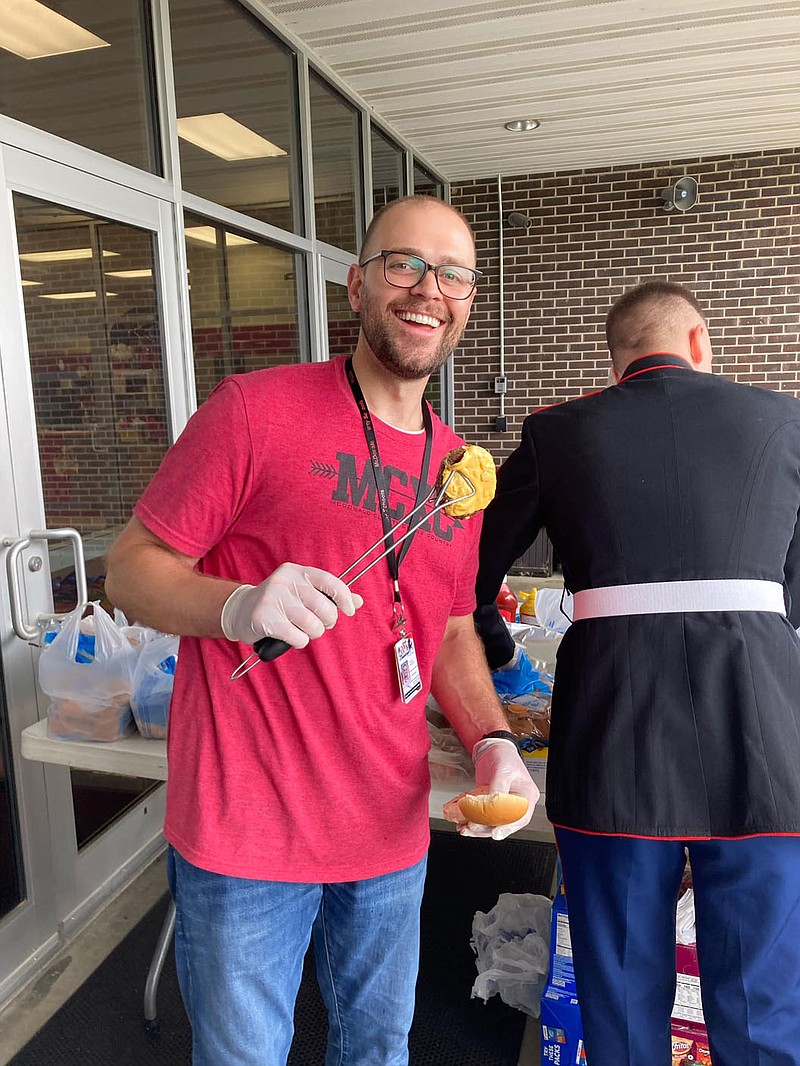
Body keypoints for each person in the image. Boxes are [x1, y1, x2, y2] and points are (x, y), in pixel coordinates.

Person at [105, 193, 538, 1066]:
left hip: (387, 828)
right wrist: (234, 604)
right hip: (245, 828)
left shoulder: (459, 472)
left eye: (453, 274)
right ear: (357, 285)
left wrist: (493, 739)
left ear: (468, 301)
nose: (428, 290)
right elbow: (130, 569)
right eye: (404, 264)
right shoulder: (255, 412)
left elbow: (451, 628)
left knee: (377, 1050)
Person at [474, 280, 800, 1066]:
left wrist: (503, 656)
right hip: (764, 732)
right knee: (765, 999)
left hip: (614, 731)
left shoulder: (556, 431)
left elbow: (468, 580)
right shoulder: (787, 421)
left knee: (618, 987)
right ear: (700, 342)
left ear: (615, 358)